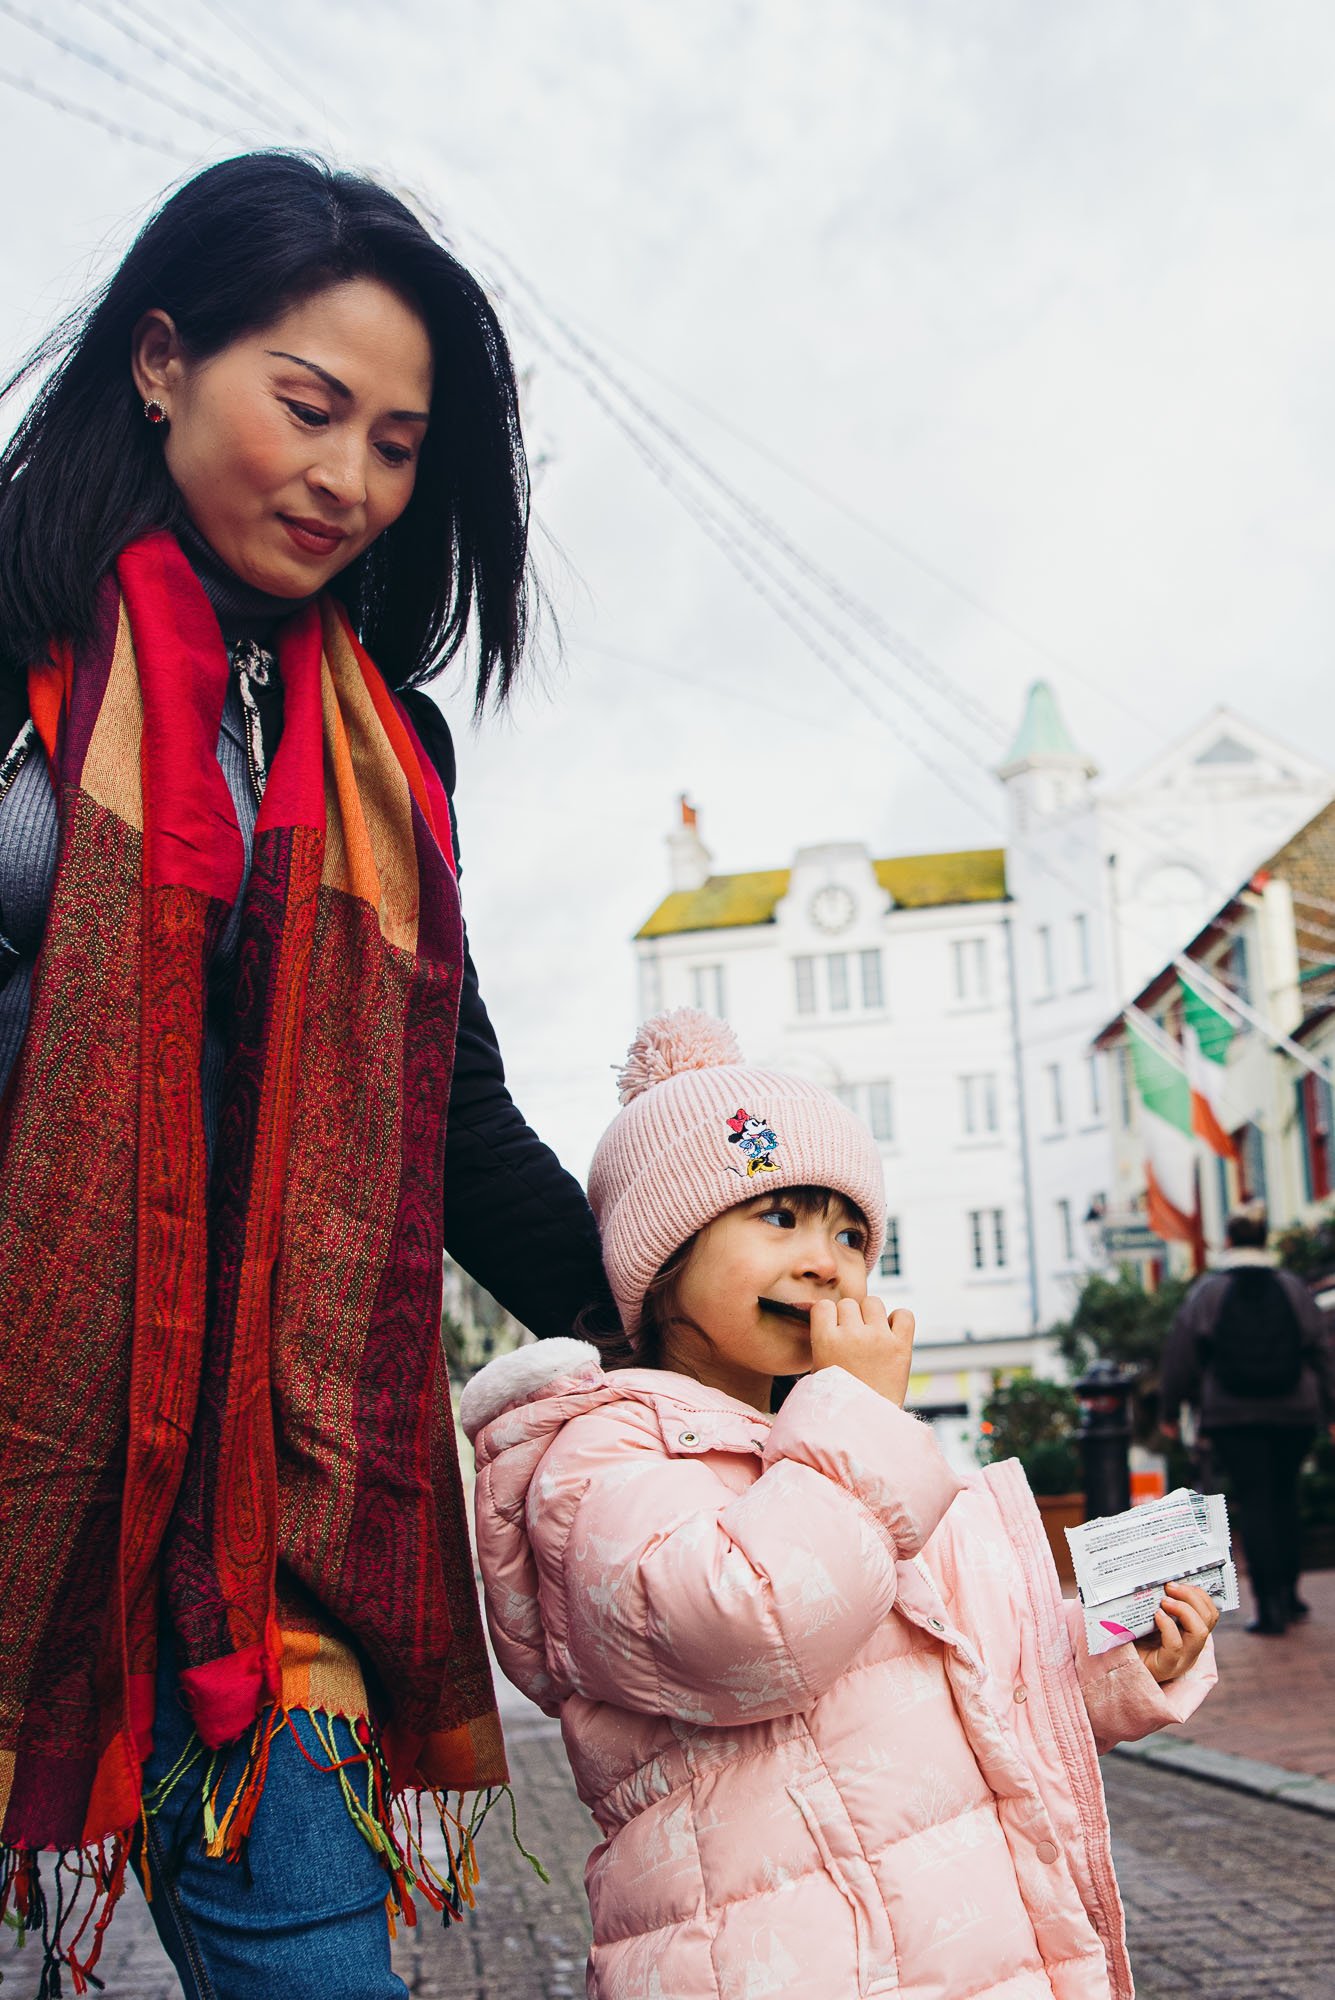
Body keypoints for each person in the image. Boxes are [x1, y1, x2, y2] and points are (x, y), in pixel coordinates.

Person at [0, 152, 611, 1999]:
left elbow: (460, 1122)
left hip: (264, 1552)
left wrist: (701, 1329)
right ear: (164, 359)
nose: (349, 480)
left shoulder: (386, 745)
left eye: (400, 444)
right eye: (311, 406)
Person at [461, 1009, 1219, 2000]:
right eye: (779, 1216)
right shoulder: (603, 1452)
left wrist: (1117, 1656)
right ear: (660, 1253)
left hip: (959, 1949)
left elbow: (963, 1673)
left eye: (850, 1230)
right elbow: (748, 1628)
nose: (828, 1260)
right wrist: (857, 1411)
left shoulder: (835, 1444)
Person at [1161, 1202, 1335, 1636]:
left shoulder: (1209, 1292)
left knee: (1255, 1501)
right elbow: (1321, 1349)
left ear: (1230, 1240)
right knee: (1285, 1496)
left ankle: (1269, 1605)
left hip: (1232, 1414)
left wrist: (1170, 1408)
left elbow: (1181, 1352)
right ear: (1264, 1239)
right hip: (1294, 1412)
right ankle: (1291, 1595)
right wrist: (1331, 1409)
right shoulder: (1293, 1288)